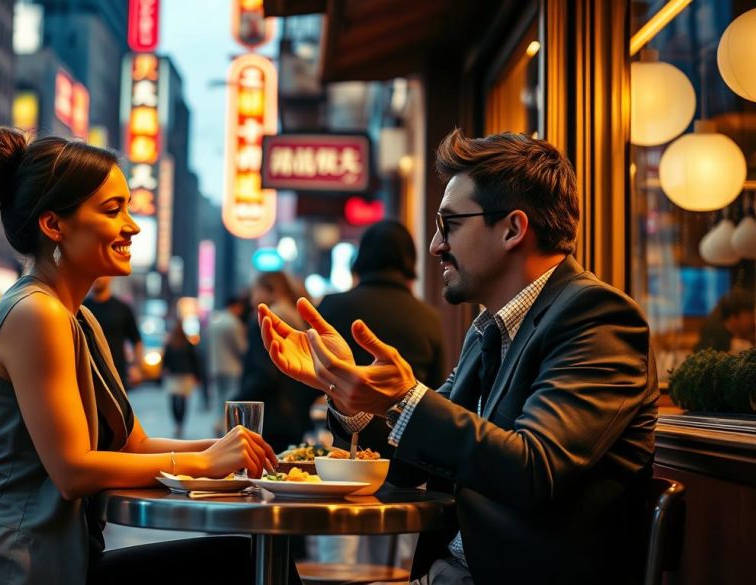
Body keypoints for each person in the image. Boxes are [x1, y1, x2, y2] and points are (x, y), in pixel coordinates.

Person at [258, 129, 659, 585]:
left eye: (450, 224)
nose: (435, 245)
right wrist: (346, 389)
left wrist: (406, 397)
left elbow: (533, 468)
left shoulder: (597, 317)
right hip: (446, 575)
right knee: (234, 562)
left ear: (513, 229)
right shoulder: (489, 329)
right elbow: (408, 464)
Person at [0, 127, 293, 585]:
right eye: (113, 210)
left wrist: (228, 449)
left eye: (128, 208)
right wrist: (205, 462)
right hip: (18, 564)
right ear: (54, 225)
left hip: (63, 558)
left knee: (243, 562)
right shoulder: (35, 313)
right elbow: (73, 470)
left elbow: (134, 446)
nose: (132, 226)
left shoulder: (79, 318)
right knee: (240, 565)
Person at [313, 219, 446, 566]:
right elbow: (440, 396)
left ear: (361, 258)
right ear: (409, 260)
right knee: (391, 566)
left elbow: (310, 381)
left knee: (337, 561)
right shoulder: (428, 318)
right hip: (407, 464)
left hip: (343, 460)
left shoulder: (333, 307)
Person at [236, 271, 321, 452]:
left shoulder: (267, 320)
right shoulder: (295, 315)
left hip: (271, 414)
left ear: (269, 290)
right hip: (296, 413)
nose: (251, 298)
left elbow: (264, 373)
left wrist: (238, 402)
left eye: (254, 290)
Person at [84, 276, 144, 387]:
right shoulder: (82, 308)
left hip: (117, 375)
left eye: (101, 274)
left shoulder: (122, 309)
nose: (97, 278)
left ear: (110, 277)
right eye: (94, 274)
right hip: (88, 374)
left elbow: (136, 341)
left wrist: (137, 368)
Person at [161, 319, 202, 438]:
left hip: (173, 375)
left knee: (173, 399)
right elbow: (195, 361)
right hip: (186, 375)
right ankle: (181, 423)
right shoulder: (188, 344)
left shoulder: (170, 344)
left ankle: (177, 423)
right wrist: (198, 376)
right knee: (183, 401)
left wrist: (163, 371)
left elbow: (165, 360)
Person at [206, 295, 247, 408]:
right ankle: (227, 419)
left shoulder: (215, 321)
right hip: (232, 367)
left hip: (216, 366)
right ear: (236, 306)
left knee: (219, 398)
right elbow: (241, 347)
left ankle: (220, 418)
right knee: (231, 398)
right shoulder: (234, 323)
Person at [694, 287, 755, 354]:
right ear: (733, 316)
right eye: (749, 314)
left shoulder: (743, 335)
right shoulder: (715, 336)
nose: (753, 319)